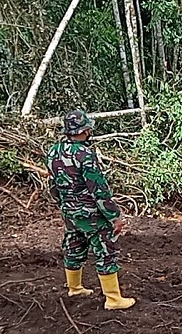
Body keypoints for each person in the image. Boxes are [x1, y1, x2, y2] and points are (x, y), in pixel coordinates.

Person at [46, 109, 135, 311]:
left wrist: (63, 204)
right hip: (91, 214)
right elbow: (99, 189)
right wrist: (114, 216)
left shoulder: (53, 152)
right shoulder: (85, 155)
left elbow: (52, 184)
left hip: (69, 211)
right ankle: (113, 299)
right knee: (105, 251)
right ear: (85, 130)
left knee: (74, 245)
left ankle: (75, 288)